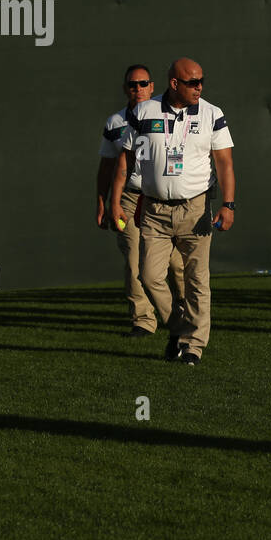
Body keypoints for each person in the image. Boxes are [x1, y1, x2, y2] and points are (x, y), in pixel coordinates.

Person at [111, 58, 235, 366]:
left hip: (195, 208)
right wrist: (114, 202)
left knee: (196, 280)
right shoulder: (144, 111)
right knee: (150, 275)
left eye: (201, 81)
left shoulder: (211, 114)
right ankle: (180, 329)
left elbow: (225, 164)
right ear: (174, 84)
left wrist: (228, 204)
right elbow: (124, 162)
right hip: (153, 209)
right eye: (193, 82)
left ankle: (193, 346)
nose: (199, 87)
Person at [96, 64, 185, 337]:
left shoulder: (169, 115)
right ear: (126, 89)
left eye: (143, 83)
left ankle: (185, 312)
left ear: (153, 86)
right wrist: (103, 203)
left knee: (177, 264)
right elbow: (107, 167)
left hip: (161, 198)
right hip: (130, 198)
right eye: (132, 85)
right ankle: (144, 320)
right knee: (135, 261)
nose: (138, 89)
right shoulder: (116, 122)